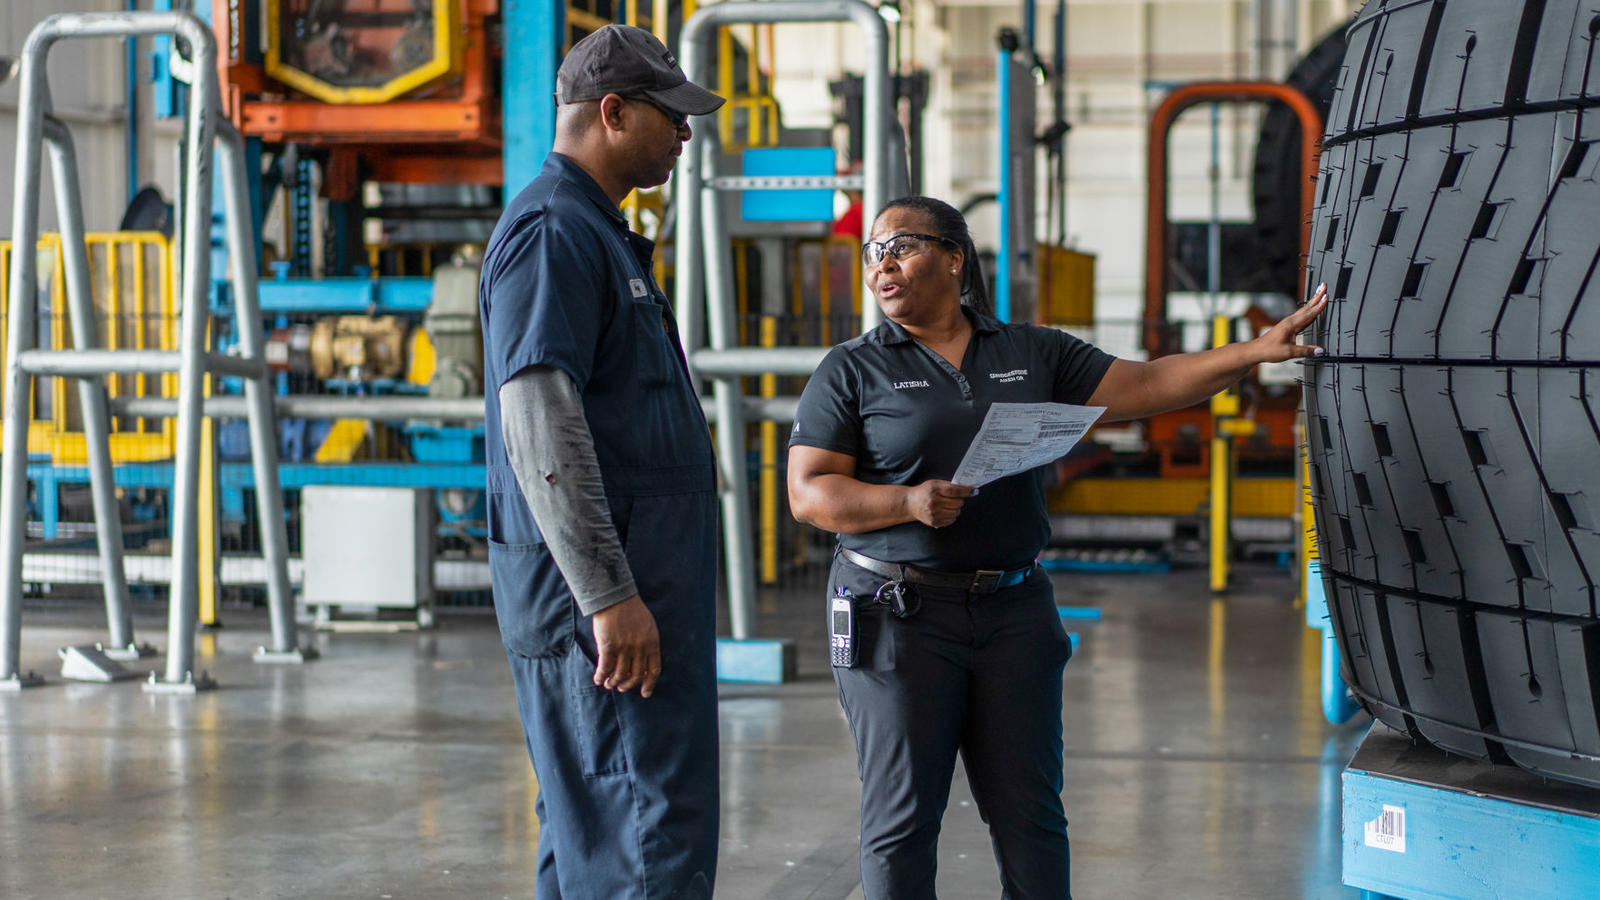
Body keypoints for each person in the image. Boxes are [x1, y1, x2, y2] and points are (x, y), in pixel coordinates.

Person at [787, 195, 1328, 899]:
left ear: (955, 258)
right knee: (902, 821)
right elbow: (810, 492)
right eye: (873, 253)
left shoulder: (1030, 351)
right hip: (898, 615)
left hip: (1013, 613)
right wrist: (906, 501)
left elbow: (1149, 382)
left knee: (1031, 817)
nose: (882, 264)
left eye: (903, 246)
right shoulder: (852, 369)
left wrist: (1254, 353)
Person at [477, 25, 725, 900]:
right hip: (609, 608)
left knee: (602, 832)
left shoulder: (594, 229)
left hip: (633, 593)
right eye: (671, 117)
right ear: (613, 113)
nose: (684, 135)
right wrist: (609, 595)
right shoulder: (553, 232)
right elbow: (538, 418)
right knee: (642, 837)